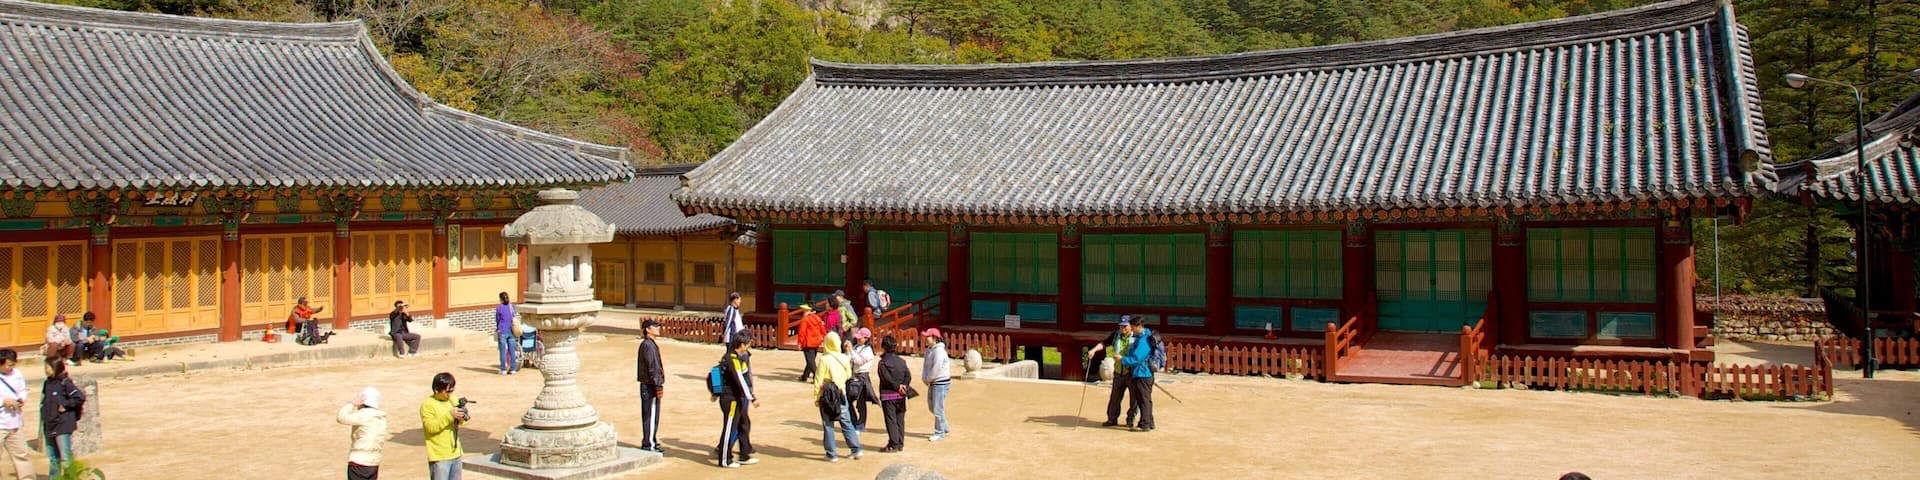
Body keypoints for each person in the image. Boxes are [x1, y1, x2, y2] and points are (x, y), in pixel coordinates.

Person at [814, 331, 861, 462]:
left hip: (827, 395)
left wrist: (817, 397)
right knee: (846, 422)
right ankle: (856, 449)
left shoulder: (824, 359)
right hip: (841, 393)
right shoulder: (844, 358)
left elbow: (818, 380)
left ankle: (831, 453)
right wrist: (839, 381)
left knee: (828, 424)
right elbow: (848, 374)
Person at [713, 339, 759, 468]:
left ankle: (744, 454)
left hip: (735, 397)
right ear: (742, 345)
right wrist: (752, 397)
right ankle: (724, 459)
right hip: (731, 398)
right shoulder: (732, 359)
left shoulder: (734, 357)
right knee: (730, 428)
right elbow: (740, 380)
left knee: (741, 424)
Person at [1089, 316, 1137, 428]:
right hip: (1118, 371)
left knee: (1134, 398)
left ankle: (1131, 419)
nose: (1122, 328)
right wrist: (1094, 350)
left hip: (1132, 372)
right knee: (1115, 397)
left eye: (1125, 326)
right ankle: (1111, 418)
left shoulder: (1137, 337)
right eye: (1121, 326)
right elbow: (1104, 343)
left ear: (1130, 326)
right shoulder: (1116, 335)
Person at [39, 360, 83, 479]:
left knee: (65, 456)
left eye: (48, 367)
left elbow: (80, 397)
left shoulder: (65, 382)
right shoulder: (47, 383)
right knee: (53, 458)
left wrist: (66, 405)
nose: (46, 369)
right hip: (49, 423)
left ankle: (70, 477)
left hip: (63, 424)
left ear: (56, 367)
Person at [421, 372, 469, 480]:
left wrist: (461, 415)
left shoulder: (452, 400)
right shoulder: (427, 405)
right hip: (439, 456)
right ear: (437, 390)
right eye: (447, 391)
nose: (450, 394)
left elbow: (462, 422)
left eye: (452, 390)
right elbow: (430, 428)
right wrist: (449, 416)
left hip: (455, 453)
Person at [337, 386, 390, 480]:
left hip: (359, 461)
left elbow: (341, 417)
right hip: (374, 462)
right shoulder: (381, 418)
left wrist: (352, 404)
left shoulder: (364, 415)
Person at [876, 335, 911, 453]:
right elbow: (908, 375)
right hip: (901, 395)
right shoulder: (902, 361)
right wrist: (903, 386)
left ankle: (893, 444)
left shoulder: (882, 363)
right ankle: (900, 443)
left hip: (888, 395)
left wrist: (896, 387)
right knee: (900, 419)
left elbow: (886, 379)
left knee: (891, 420)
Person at [1120, 321, 1157, 432]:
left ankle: (1144, 424)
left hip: (1142, 373)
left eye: (1133, 327)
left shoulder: (1143, 340)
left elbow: (1137, 359)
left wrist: (1122, 359)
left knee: (1143, 399)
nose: (1131, 329)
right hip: (1144, 373)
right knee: (1145, 399)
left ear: (1139, 326)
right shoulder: (1145, 337)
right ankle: (1149, 422)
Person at [635, 319, 665, 453]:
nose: (658, 329)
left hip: (649, 383)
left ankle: (650, 440)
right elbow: (652, 367)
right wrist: (657, 384)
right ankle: (649, 443)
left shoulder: (649, 344)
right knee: (651, 415)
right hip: (650, 385)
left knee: (651, 414)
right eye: (655, 327)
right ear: (648, 329)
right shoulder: (648, 345)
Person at [0, 349, 29, 480]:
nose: (11, 368)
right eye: (8, 365)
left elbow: (22, 390)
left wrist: (21, 399)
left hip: (15, 422)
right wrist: (3, 402)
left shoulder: (17, 374)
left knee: (21, 455)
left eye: (13, 364)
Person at [920, 328, 951, 441]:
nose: (925, 339)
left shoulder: (939, 351)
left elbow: (936, 368)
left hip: (940, 383)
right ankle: (944, 426)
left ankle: (939, 432)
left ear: (934, 338)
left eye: (928, 336)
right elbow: (926, 366)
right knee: (932, 407)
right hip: (932, 382)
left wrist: (928, 379)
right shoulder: (929, 350)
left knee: (938, 408)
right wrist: (924, 377)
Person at [846, 328, 877, 431]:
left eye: (861, 338)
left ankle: (861, 425)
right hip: (852, 375)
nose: (858, 340)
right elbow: (849, 359)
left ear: (866, 338)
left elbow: (859, 361)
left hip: (862, 376)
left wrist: (851, 351)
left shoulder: (868, 350)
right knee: (848, 400)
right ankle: (853, 422)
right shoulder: (855, 347)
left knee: (861, 402)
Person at [796, 304, 824, 383]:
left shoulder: (805, 319)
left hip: (808, 342)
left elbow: (802, 332)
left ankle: (816, 376)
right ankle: (805, 376)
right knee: (810, 360)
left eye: (805, 310)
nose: (804, 312)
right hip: (816, 342)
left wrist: (799, 343)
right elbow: (822, 329)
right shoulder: (818, 318)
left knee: (810, 361)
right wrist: (824, 337)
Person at [494, 292, 519, 375]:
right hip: (511, 331)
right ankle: (513, 369)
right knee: (512, 350)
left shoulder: (499, 308)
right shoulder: (511, 307)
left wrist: (497, 328)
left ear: (500, 299)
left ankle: (503, 369)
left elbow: (498, 320)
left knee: (503, 351)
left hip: (502, 330)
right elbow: (513, 316)